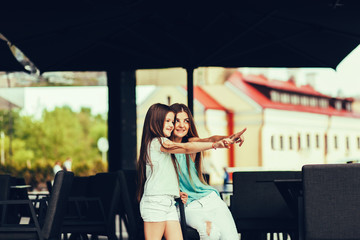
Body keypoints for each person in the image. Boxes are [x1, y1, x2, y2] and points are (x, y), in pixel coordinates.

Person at [137, 103, 235, 240]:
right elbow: (188, 148)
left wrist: (177, 192)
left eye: (173, 121)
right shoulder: (158, 143)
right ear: (156, 122)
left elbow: (164, 176)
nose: (174, 125)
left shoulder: (165, 146)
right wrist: (214, 146)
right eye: (170, 121)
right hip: (156, 203)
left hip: (170, 202)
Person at [170, 103, 246, 240]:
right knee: (210, 233)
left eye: (186, 121)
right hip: (188, 206)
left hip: (211, 200)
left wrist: (229, 137)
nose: (182, 125)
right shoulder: (163, 147)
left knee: (232, 238)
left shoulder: (192, 144)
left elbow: (211, 139)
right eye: (177, 120)